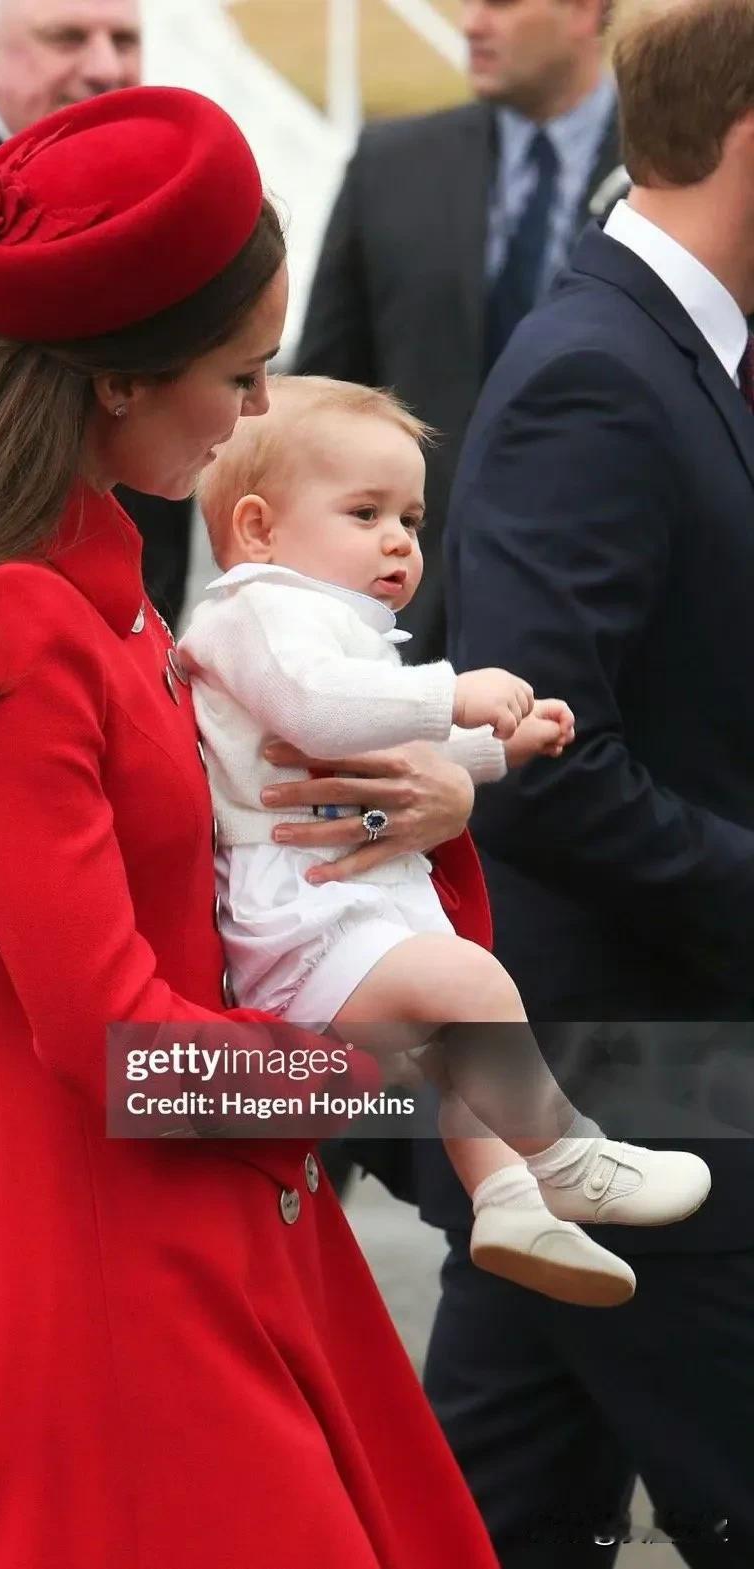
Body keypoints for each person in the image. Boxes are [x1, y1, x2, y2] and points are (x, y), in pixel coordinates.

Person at [0, 89, 500, 1568]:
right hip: (102, 1252)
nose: (259, 413)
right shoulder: (16, 619)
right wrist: (356, 1080)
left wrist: (425, 808)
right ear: (118, 381)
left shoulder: (91, 583)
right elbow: (112, 1039)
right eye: (241, 374)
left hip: (155, 1209)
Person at [429, 0, 754, 1560]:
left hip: (610, 1089)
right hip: (632, 1079)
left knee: (497, 1506)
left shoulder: (680, 351)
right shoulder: (600, 373)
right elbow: (537, 768)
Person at [179, 372, 710, 1310]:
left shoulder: (327, 622)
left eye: (413, 518)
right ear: (259, 528)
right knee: (474, 990)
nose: (398, 539)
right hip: (307, 918)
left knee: (465, 1045)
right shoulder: (257, 609)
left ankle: (506, 1198)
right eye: (366, 511)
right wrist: (451, 692)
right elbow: (322, 709)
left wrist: (494, 746)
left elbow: (384, 749)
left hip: (348, 904)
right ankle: (567, 1154)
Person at [296, 0, 619, 663]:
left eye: (499, 3)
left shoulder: (680, 170)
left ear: (586, 11)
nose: (472, 24)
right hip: (408, 620)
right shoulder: (390, 166)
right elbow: (321, 403)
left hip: (612, 618)